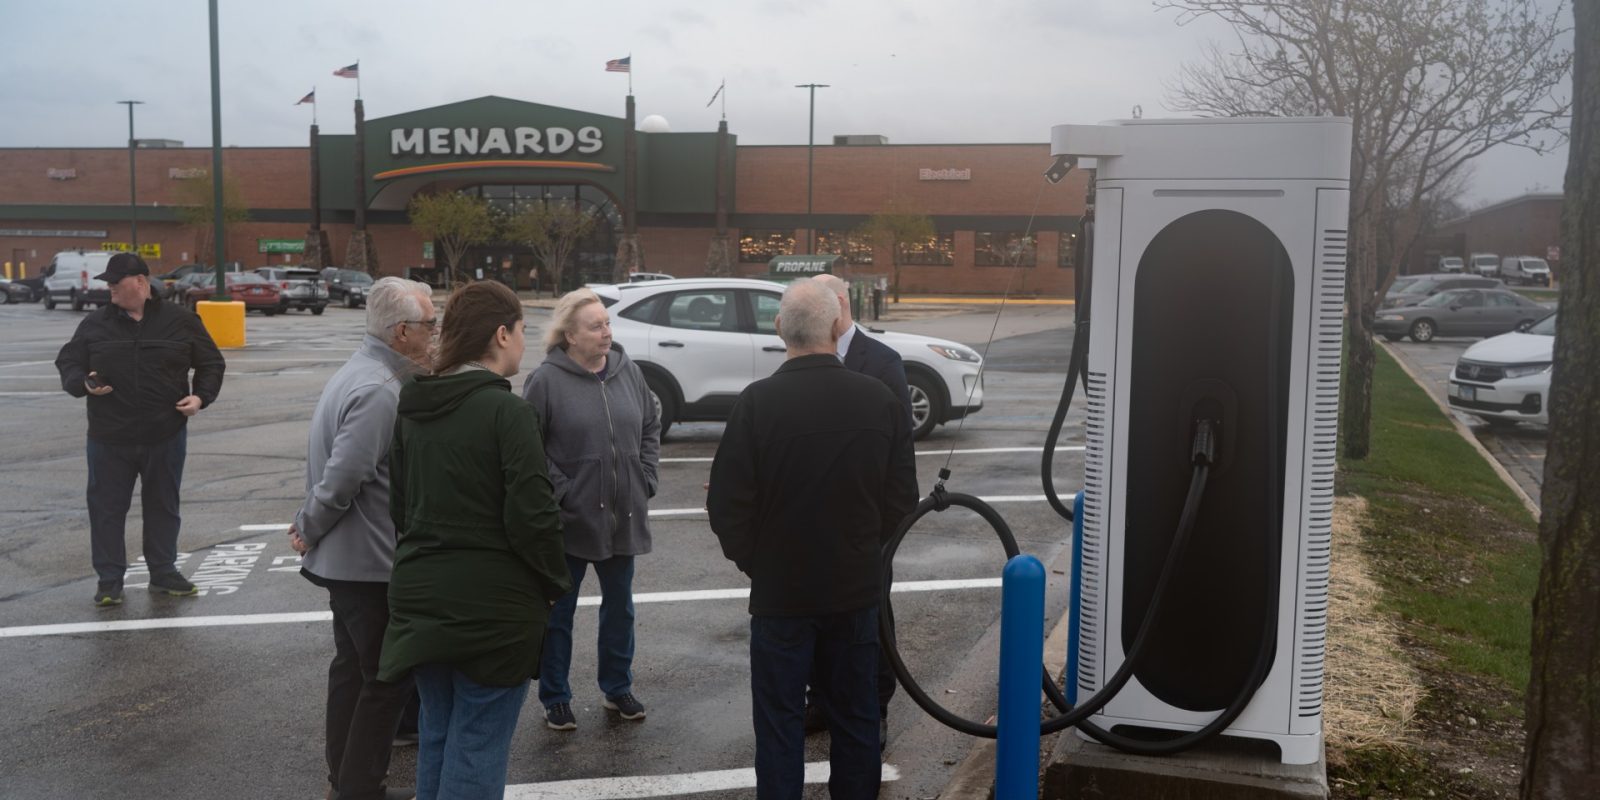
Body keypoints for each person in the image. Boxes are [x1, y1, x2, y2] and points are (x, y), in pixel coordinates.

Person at [707, 279, 918, 800]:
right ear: (833, 326)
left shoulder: (757, 404)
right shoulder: (879, 400)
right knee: (856, 717)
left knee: (780, 725)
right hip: (854, 591)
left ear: (780, 330)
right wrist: (864, 553)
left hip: (782, 596)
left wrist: (759, 562)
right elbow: (901, 501)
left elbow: (727, 506)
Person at [378, 281, 570, 800]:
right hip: (493, 609)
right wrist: (555, 583)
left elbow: (400, 508)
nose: (525, 343)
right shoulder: (508, 413)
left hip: (420, 597)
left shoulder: (413, 407)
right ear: (502, 334)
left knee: (440, 736)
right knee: (479, 744)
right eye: (523, 332)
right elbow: (533, 515)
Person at [287, 277, 435, 800]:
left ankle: (344, 783)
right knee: (384, 682)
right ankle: (358, 789)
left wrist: (310, 523)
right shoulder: (379, 389)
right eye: (428, 325)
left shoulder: (365, 372)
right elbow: (343, 477)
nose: (434, 334)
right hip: (368, 565)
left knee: (353, 673)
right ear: (401, 332)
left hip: (352, 562)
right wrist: (307, 526)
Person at [521, 288, 660, 731]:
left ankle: (617, 687)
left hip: (623, 514)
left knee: (620, 607)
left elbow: (650, 424)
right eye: (595, 326)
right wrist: (564, 492)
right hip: (571, 520)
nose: (606, 332)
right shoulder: (546, 380)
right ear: (569, 334)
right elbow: (529, 447)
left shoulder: (628, 371)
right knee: (559, 612)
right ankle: (556, 696)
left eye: (607, 323)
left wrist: (646, 476)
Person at [54, 252, 225, 606]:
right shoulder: (96, 323)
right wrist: (83, 383)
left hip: (165, 433)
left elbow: (211, 362)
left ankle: (163, 573)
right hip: (108, 436)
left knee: (163, 506)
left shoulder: (181, 321)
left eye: (116, 282)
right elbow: (69, 361)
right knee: (106, 509)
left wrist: (201, 399)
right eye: (109, 282)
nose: (110, 287)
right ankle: (109, 582)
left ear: (141, 283)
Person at [807, 274, 918, 747]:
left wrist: (888, 528)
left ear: (837, 305)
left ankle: (875, 703)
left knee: (872, 616)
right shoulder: (806, 355)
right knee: (818, 612)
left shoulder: (882, 362)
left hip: (869, 522)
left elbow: (900, 455)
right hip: (817, 522)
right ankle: (823, 700)